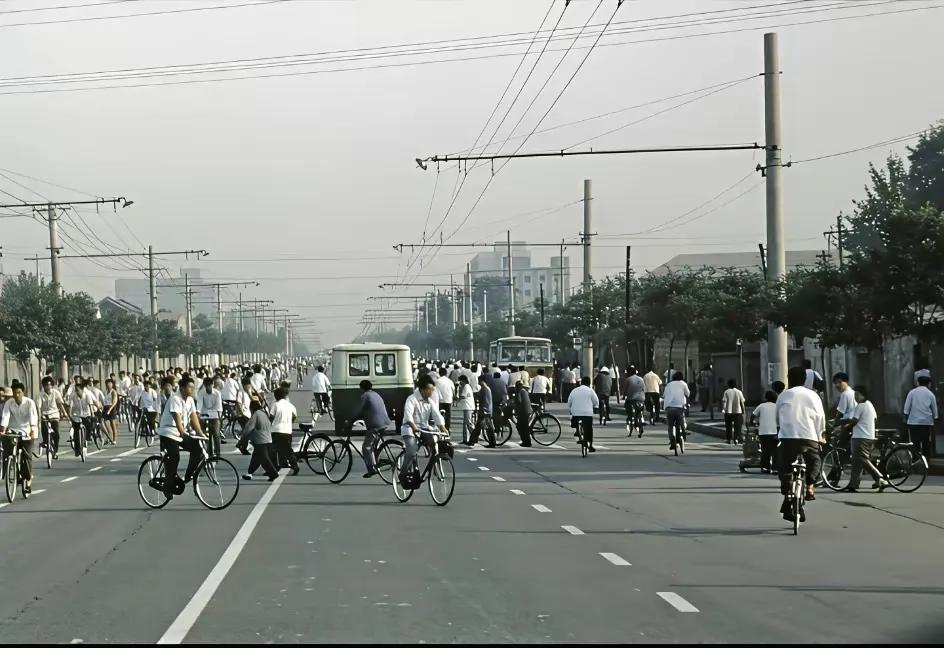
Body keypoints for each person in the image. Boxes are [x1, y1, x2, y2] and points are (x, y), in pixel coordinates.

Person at [776, 366, 826, 522]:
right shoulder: (813, 395)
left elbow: (777, 417)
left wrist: (781, 430)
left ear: (789, 378)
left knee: (785, 465)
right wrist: (820, 435)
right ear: (805, 380)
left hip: (788, 437)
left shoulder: (783, 395)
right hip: (809, 436)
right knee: (815, 461)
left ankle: (786, 490)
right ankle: (810, 486)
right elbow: (820, 418)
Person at [157, 376, 205, 501]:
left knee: (197, 448)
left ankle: (188, 476)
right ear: (182, 388)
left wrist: (200, 433)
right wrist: (183, 432)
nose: (192, 390)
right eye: (190, 387)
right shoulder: (175, 398)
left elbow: (193, 416)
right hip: (168, 432)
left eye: (193, 388)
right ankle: (167, 487)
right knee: (175, 457)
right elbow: (176, 416)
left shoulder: (189, 400)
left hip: (179, 433)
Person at [839, 386, 889, 492]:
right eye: (855, 395)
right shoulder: (869, 405)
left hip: (860, 437)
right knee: (857, 461)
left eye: (857, 395)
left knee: (862, 459)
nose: (855, 397)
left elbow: (854, 421)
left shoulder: (860, 406)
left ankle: (879, 477)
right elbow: (874, 419)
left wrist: (846, 427)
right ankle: (853, 484)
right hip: (868, 436)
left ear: (863, 395)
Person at [400, 374, 448, 471]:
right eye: (429, 389)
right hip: (409, 429)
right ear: (422, 389)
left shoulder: (430, 401)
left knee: (434, 446)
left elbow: (436, 415)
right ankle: (403, 472)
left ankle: (432, 468)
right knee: (412, 452)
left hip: (423, 428)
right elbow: (408, 416)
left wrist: (442, 427)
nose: (431, 392)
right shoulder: (412, 399)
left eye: (432, 389)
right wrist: (413, 427)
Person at [0, 381, 39, 494]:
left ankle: (27, 479)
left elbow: (33, 417)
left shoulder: (29, 403)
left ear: (23, 392)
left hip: (27, 431)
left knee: (26, 457)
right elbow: (5, 416)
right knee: (8, 451)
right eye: (14, 393)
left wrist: (32, 429)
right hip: (13, 430)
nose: (16, 395)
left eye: (19, 392)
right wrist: (2, 428)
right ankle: (9, 468)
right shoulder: (9, 403)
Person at [348, 380, 392, 478]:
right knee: (373, 445)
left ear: (362, 388)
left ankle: (371, 469)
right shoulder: (376, 394)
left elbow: (360, 410)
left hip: (375, 425)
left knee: (366, 447)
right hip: (384, 423)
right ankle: (375, 461)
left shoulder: (365, 396)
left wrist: (351, 420)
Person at [239, 400, 279, 481]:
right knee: (256, 458)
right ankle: (250, 472)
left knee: (264, 459)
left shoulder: (256, 414)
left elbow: (249, 428)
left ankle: (273, 473)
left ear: (252, 408)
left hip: (261, 440)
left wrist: (242, 439)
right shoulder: (264, 413)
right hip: (268, 439)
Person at [903, 375, 938, 458]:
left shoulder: (912, 392)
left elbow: (906, 407)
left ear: (917, 383)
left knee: (915, 443)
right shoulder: (930, 394)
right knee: (926, 442)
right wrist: (935, 418)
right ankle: (926, 459)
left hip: (914, 422)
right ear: (928, 384)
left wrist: (905, 416)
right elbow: (934, 408)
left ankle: (916, 459)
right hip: (927, 422)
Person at [269, 386, 299, 475]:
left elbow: (271, 417)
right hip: (287, 431)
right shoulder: (290, 405)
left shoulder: (275, 405)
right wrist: (290, 422)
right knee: (288, 450)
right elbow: (294, 416)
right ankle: (295, 466)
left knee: (273, 450)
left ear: (276, 396)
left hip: (276, 430)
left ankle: (274, 468)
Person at [567, 376, 599, 452]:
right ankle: (590, 446)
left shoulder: (574, 390)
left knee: (574, 421)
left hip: (576, 414)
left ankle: (577, 432)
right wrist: (595, 407)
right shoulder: (590, 391)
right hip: (587, 414)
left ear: (581, 383)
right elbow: (596, 402)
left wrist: (570, 410)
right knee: (589, 429)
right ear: (589, 383)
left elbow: (569, 402)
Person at [750, 390, 778, 473]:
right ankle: (775, 468)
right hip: (775, 432)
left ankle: (765, 467)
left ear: (766, 398)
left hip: (763, 432)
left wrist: (752, 423)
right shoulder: (777, 406)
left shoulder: (761, 406)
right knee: (775, 450)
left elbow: (753, 415)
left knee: (765, 450)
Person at [39, 376, 67, 460]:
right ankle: (45, 442)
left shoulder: (56, 392)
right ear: (43, 386)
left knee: (56, 434)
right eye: (45, 385)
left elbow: (60, 404)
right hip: (44, 415)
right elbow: (38, 407)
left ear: (52, 385)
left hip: (54, 415)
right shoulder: (40, 395)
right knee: (44, 429)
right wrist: (39, 416)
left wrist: (64, 412)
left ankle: (55, 450)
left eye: (49, 385)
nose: (47, 387)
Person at [67, 380, 97, 457]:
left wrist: (92, 415)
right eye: (75, 390)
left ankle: (87, 438)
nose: (77, 392)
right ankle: (77, 450)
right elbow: (70, 406)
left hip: (86, 414)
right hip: (76, 415)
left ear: (82, 389)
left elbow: (90, 405)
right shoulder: (73, 396)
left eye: (78, 390)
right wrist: (70, 416)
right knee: (76, 433)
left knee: (89, 425)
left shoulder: (87, 395)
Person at [197, 376, 224, 457]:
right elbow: (199, 404)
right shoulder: (201, 393)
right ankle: (209, 453)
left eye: (210, 385)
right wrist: (198, 413)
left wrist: (219, 417)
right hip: (204, 415)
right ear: (204, 386)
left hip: (214, 415)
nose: (208, 387)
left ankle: (218, 454)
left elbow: (219, 406)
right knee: (205, 436)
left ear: (213, 385)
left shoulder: (217, 393)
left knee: (216, 435)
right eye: (207, 386)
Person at [663, 372, 690, 452]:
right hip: (679, 407)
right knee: (681, 420)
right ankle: (683, 431)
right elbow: (688, 394)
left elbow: (664, 395)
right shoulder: (683, 384)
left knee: (670, 425)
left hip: (669, 407)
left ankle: (672, 441)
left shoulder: (669, 384)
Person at [468, 374, 496, 447]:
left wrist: (483, 410)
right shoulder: (485, 389)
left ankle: (492, 443)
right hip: (485, 410)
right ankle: (473, 440)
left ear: (482, 381)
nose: (478, 382)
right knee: (479, 427)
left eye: (479, 381)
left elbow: (486, 401)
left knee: (488, 428)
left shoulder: (485, 389)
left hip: (485, 411)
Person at [721, 379, 747, 444]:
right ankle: (736, 439)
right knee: (737, 426)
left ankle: (729, 439)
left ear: (728, 384)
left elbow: (724, 401)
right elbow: (742, 402)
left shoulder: (726, 392)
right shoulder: (739, 392)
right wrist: (743, 411)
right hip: (738, 411)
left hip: (728, 412)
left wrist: (723, 409)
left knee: (728, 426)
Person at [623, 366, 646, 437]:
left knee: (628, 407)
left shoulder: (628, 379)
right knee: (640, 410)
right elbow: (644, 389)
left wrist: (624, 396)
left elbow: (625, 391)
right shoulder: (641, 379)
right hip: (641, 399)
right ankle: (640, 420)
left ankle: (630, 418)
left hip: (632, 399)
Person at [454, 374, 475, 445]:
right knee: (465, 424)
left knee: (468, 423)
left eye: (460, 381)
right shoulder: (464, 386)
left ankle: (475, 436)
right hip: (466, 407)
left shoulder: (466, 386)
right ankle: (465, 439)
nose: (460, 383)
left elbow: (462, 396)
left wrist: (458, 392)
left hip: (468, 407)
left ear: (463, 381)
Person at [514, 381, 533, 447]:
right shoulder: (524, 391)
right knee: (523, 426)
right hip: (527, 411)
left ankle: (526, 442)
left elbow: (519, 401)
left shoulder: (519, 392)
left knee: (522, 427)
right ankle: (525, 441)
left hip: (523, 412)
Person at [102, 378, 119, 445]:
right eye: (107, 383)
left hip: (111, 408)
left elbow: (114, 402)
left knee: (112, 424)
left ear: (112, 384)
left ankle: (114, 439)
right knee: (105, 423)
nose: (108, 385)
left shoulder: (113, 392)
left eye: (110, 383)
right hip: (105, 407)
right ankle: (109, 437)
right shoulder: (105, 391)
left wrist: (110, 409)